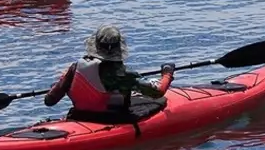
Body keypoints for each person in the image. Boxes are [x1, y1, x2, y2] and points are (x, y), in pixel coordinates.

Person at [44, 26, 174, 121]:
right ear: (119, 48)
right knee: (160, 101)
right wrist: (167, 72)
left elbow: (49, 101)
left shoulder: (75, 66)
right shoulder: (123, 73)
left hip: (79, 115)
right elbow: (158, 91)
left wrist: (61, 83)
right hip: (112, 119)